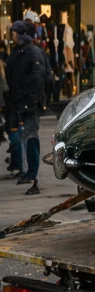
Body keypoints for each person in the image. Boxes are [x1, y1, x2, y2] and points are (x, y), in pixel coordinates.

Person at [5, 20, 47, 194]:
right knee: (23, 137)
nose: (11, 35)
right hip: (20, 101)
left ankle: (32, 173)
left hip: (29, 102)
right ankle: (27, 171)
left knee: (29, 136)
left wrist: (32, 99)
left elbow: (38, 77)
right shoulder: (18, 52)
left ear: (20, 34)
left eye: (14, 32)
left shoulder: (33, 53)